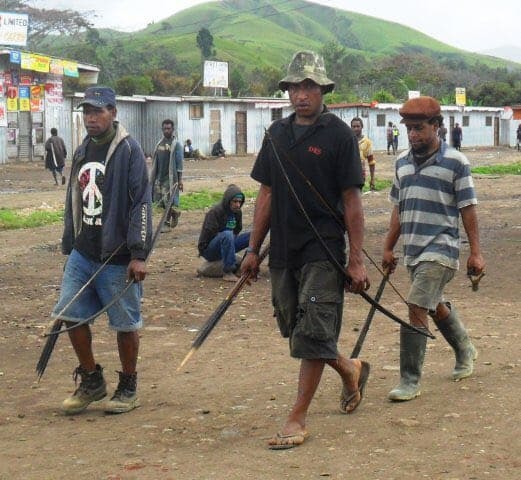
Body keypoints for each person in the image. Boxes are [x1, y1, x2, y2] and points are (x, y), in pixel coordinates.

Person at [241, 50, 370, 449]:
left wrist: (356, 259)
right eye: (295, 86)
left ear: (323, 89)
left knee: (312, 330)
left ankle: (296, 419)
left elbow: (351, 200)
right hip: (283, 248)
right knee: (295, 329)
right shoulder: (276, 135)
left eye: (309, 86)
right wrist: (251, 249)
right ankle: (349, 368)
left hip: (324, 249)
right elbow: (265, 192)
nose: (301, 94)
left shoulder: (338, 136)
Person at [52, 86, 152, 415]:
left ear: (113, 112)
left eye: (98, 112)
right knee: (69, 312)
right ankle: (93, 381)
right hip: (84, 251)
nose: (91, 118)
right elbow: (74, 200)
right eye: (86, 112)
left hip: (118, 255)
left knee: (125, 324)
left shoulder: (129, 151)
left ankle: (128, 386)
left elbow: (141, 204)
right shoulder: (82, 150)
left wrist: (138, 254)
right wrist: (70, 240)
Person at [382, 96, 485, 402]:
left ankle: (409, 379)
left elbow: (468, 209)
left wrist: (476, 252)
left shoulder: (456, 162)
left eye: (419, 128)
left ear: (437, 126)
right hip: (414, 250)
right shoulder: (401, 163)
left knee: (416, 306)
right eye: (409, 129)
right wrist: (388, 247)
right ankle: (465, 348)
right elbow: (398, 210)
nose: (413, 134)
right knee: (432, 303)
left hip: (442, 249)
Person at [197, 184, 250, 282]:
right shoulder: (215, 212)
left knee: (254, 236)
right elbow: (210, 234)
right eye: (235, 201)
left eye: (239, 202)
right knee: (227, 234)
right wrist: (227, 239)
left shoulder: (237, 212)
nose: (238, 205)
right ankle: (228, 272)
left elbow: (237, 230)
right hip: (210, 249)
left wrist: (230, 245)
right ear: (228, 200)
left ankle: (243, 267)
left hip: (227, 242)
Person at [150, 119, 184, 232]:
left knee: (168, 200)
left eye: (169, 128)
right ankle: (174, 214)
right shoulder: (159, 144)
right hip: (159, 177)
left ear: (173, 129)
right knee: (160, 200)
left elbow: (179, 164)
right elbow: (156, 161)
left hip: (170, 178)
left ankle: (166, 223)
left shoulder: (176, 145)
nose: (166, 130)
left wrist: (180, 180)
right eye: (165, 128)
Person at [351, 117, 376, 190]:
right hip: (347, 174)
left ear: (362, 127)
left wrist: (372, 179)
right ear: (351, 127)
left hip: (360, 175)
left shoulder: (367, 142)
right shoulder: (347, 140)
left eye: (358, 126)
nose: (356, 128)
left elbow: (371, 162)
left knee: (357, 195)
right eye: (354, 126)